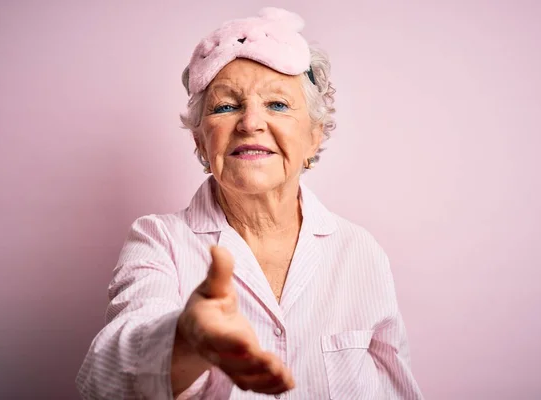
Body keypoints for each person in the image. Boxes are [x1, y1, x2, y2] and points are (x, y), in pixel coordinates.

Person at [76, 7, 424, 399]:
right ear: (200, 142)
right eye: (226, 106)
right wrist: (188, 342)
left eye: (277, 104)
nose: (250, 123)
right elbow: (101, 379)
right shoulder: (159, 240)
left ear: (314, 136)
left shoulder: (360, 252)